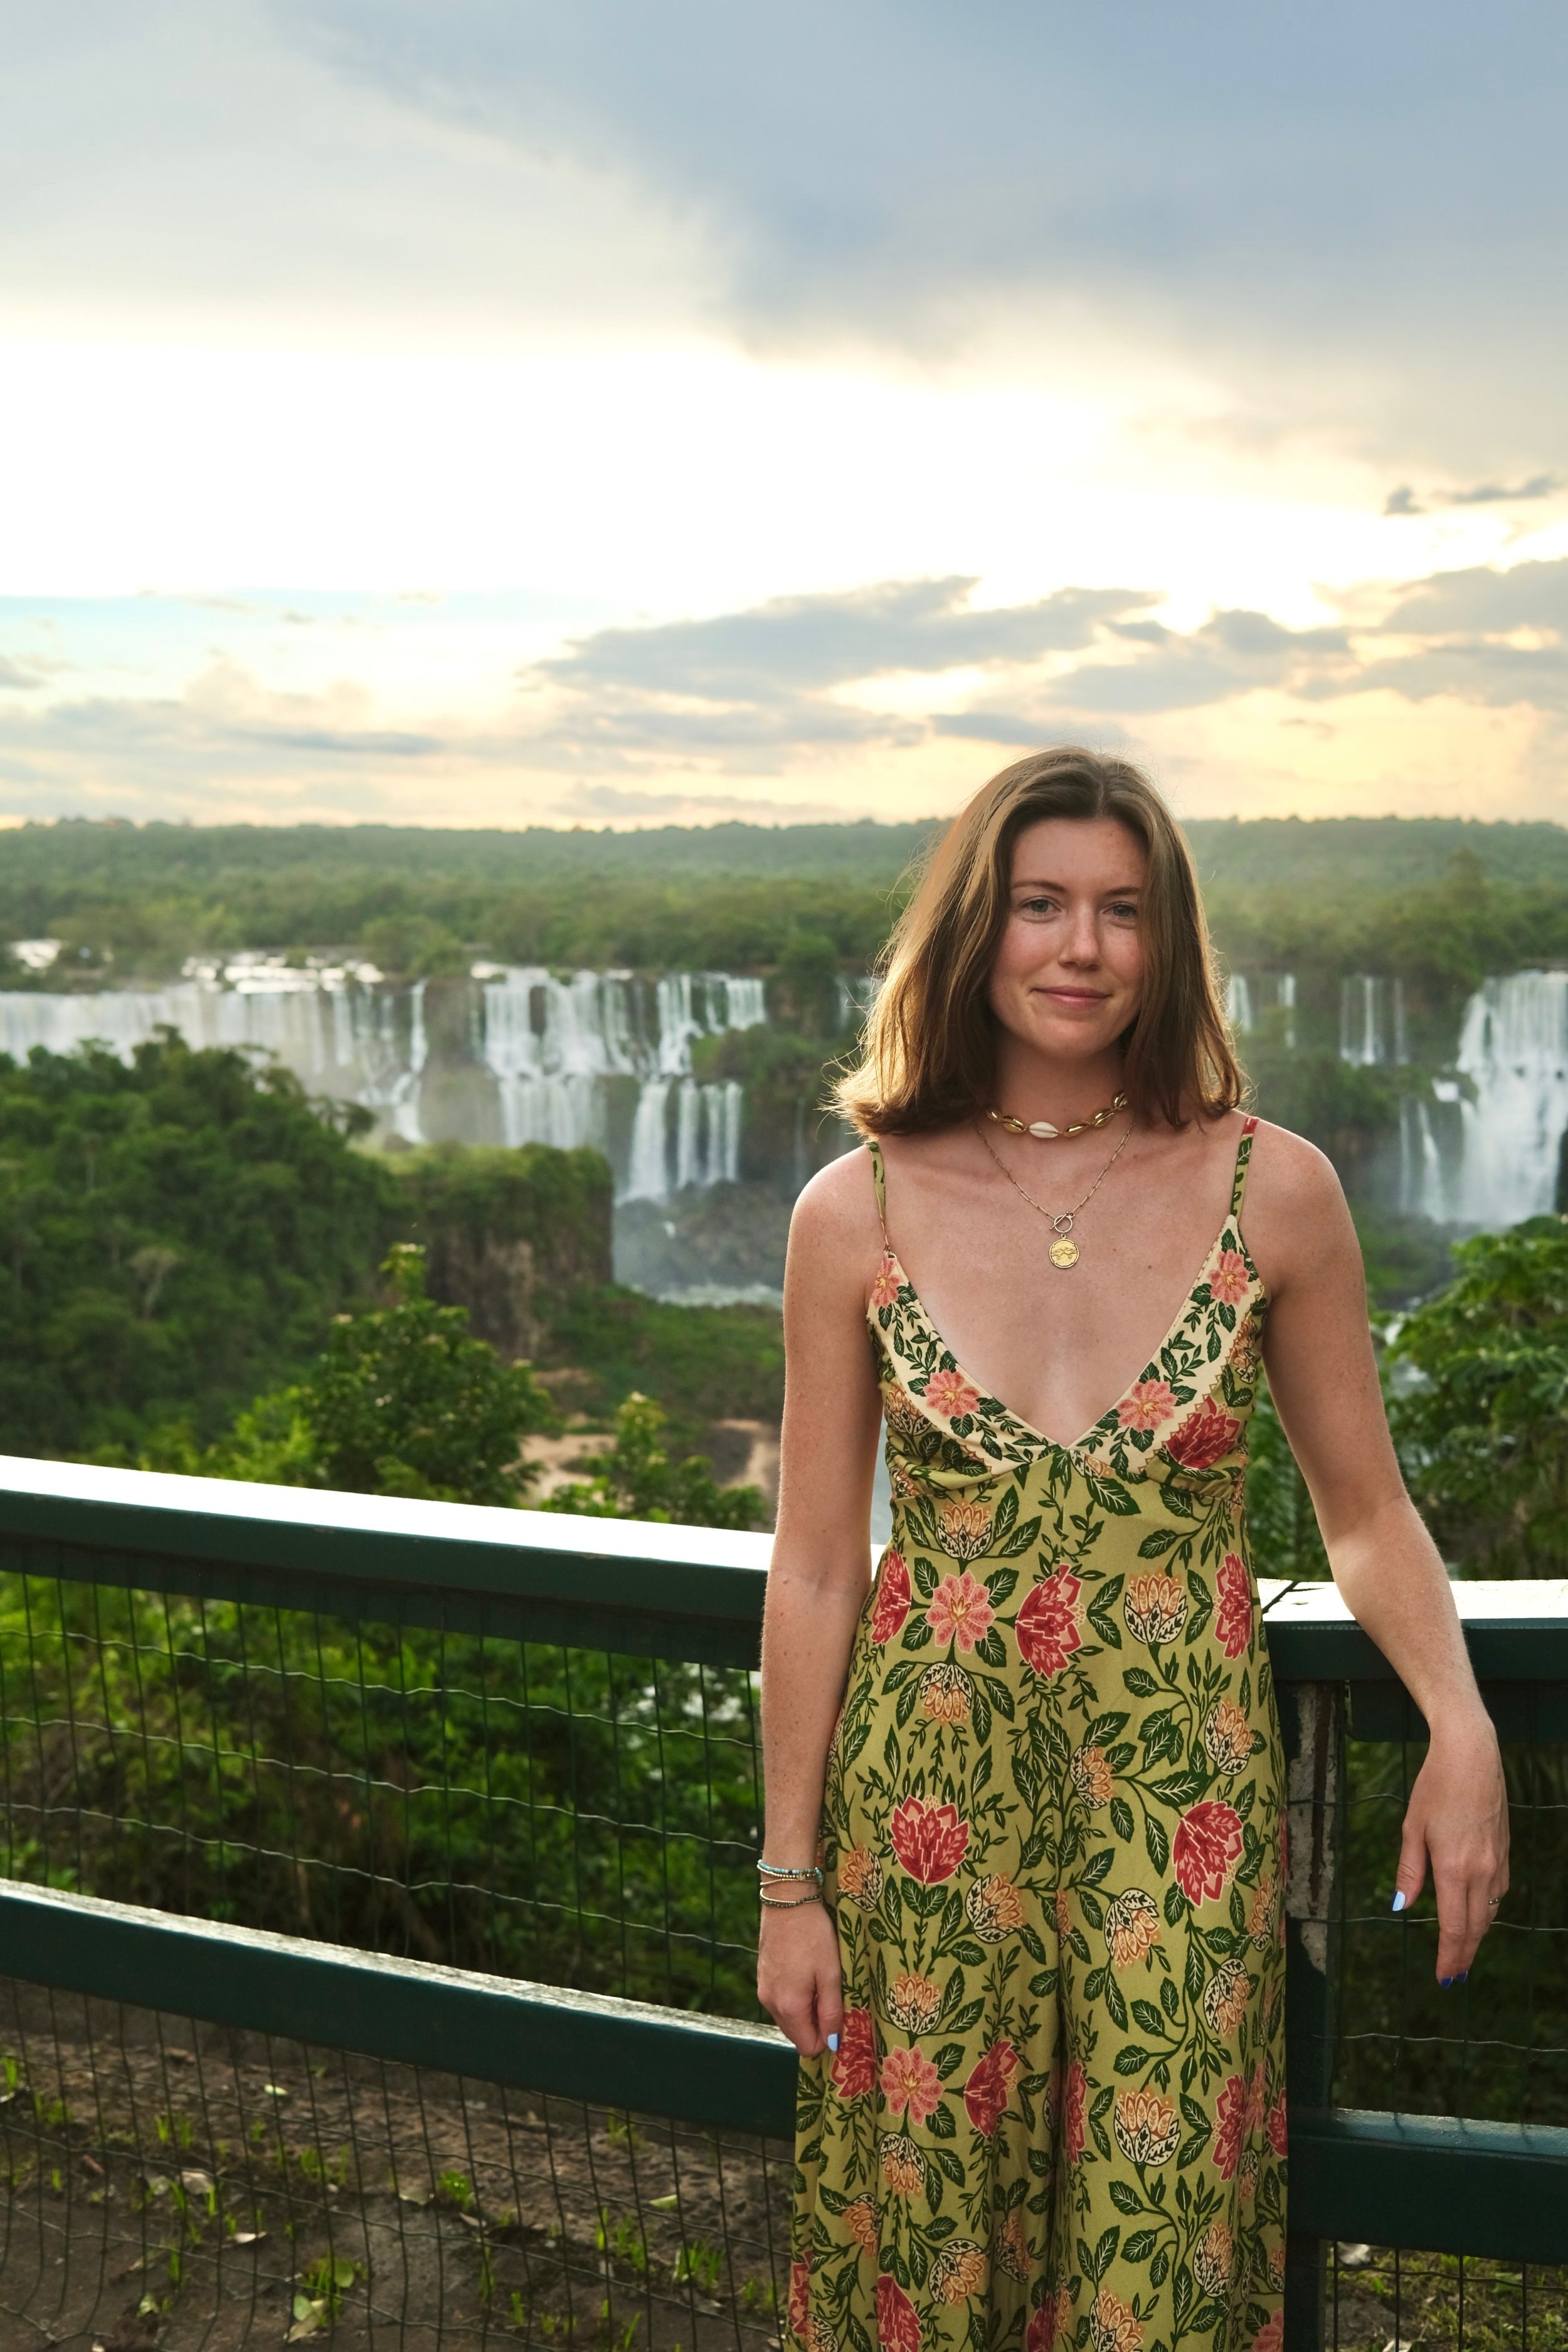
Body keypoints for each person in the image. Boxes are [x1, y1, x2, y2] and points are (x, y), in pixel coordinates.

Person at [758, 747, 1508, 2352]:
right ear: (978, 928)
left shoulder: (1273, 1191)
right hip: (923, 1836)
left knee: (1150, 2273)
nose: (1078, 946)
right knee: (926, 2256)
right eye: (1038, 905)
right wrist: (789, 1878)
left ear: (1167, 942)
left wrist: (1457, 1721)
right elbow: (818, 1565)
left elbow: (1364, 1513)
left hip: (1176, 1842)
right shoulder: (855, 1209)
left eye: (1119, 909)